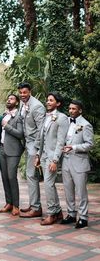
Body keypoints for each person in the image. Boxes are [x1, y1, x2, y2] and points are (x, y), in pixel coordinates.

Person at [36, 92, 68, 226]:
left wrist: (55, 160)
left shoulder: (62, 118)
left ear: (58, 103)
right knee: (50, 185)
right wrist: (38, 155)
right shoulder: (46, 117)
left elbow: (61, 141)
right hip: (43, 156)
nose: (47, 102)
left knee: (48, 184)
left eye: (51, 100)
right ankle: (58, 211)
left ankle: (51, 213)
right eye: (47, 100)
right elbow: (41, 137)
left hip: (52, 157)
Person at [61, 100, 94, 229]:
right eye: (69, 108)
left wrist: (74, 147)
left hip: (79, 162)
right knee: (68, 190)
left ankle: (84, 217)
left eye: (74, 109)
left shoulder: (86, 125)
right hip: (66, 161)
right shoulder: (67, 123)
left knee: (81, 192)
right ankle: (71, 214)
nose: (71, 111)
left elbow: (89, 144)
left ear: (80, 110)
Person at [18, 82, 46, 218]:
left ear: (30, 91)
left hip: (34, 145)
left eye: (25, 92)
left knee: (31, 175)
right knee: (30, 176)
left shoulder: (37, 106)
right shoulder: (22, 104)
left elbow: (42, 130)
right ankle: (33, 203)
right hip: (27, 143)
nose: (22, 95)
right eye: (21, 92)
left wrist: (37, 151)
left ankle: (36, 208)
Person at [0, 94, 24, 216]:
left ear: (17, 103)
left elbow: (20, 134)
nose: (9, 100)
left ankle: (16, 205)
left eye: (12, 99)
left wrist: (6, 126)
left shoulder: (19, 116)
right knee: (4, 177)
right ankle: (8, 202)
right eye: (8, 98)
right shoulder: (4, 115)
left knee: (11, 177)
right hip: (2, 149)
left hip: (13, 151)